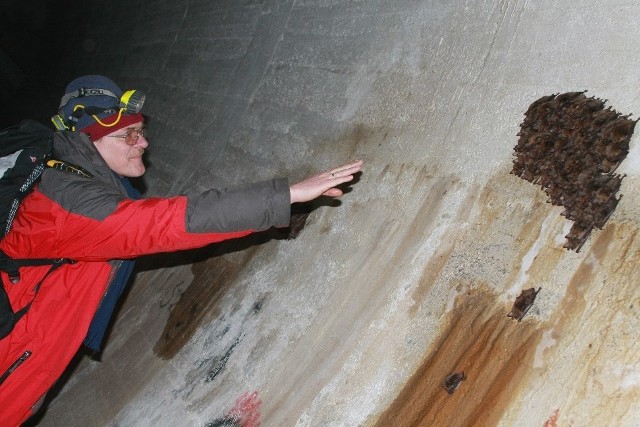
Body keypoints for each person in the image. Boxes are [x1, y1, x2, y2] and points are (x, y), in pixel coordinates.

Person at [0, 75, 363, 425]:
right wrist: (286, 196)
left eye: (140, 132)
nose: (142, 143)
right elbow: (160, 224)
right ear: (88, 139)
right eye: (128, 135)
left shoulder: (70, 182)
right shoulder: (64, 201)